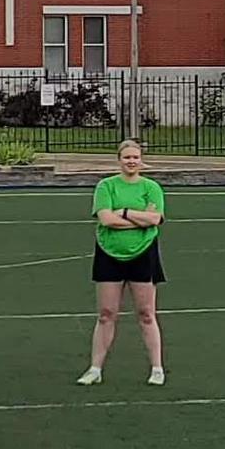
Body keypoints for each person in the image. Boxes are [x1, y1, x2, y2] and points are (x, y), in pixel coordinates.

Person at [79, 140, 168, 387]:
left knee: (146, 313)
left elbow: (155, 218)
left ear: (141, 160)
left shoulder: (151, 187)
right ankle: (95, 368)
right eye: (127, 157)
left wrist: (126, 212)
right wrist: (139, 219)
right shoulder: (106, 186)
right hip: (109, 253)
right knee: (106, 314)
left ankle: (157, 368)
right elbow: (106, 219)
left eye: (135, 157)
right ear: (119, 160)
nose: (131, 161)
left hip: (143, 254)